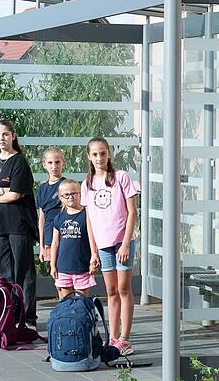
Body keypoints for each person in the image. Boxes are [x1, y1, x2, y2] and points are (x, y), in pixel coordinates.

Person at [81, 137, 138, 355]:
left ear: (109, 154)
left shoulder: (121, 177)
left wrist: (125, 244)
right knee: (111, 291)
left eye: (102, 153)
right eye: (95, 154)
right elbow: (90, 221)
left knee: (124, 289)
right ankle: (112, 337)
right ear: (89, 156)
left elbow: (132, 212)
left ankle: (125, 338)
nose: (99, 158)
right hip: (103, 245)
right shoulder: (87, 184)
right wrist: (93, 252)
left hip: (122, 243)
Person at [0, 119, 38, 325]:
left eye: (5, 134)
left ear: (13, 136)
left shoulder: (19, 162)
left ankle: (27, 315)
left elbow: (16, 195)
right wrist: (3, 190)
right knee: (4, 272)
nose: (1, 138)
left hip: (19, 225)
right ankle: (9, 313)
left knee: (23, 270)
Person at [50, 180, 97, 299]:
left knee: (82, 301)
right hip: (63, 267)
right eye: (67, 195)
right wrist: (53, 265)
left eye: (74, 193)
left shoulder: (87, 215)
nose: (71, 197)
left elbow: (93, 239)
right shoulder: (59, 218)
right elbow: (55, 243)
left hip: (82, 267)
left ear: (79, 194)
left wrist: (93, 257)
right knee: (66, 302)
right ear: (61, 197)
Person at [37, 147, 66, 266]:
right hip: (49, 237)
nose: (54, 166)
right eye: (50, 163)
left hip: (66, 235)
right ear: (44, 164)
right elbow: (41, 220)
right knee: (55, 273)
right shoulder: (42, 189)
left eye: (57, 162)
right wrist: (42, 246)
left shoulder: (66, 185)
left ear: (63, 163)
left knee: (68, 272)